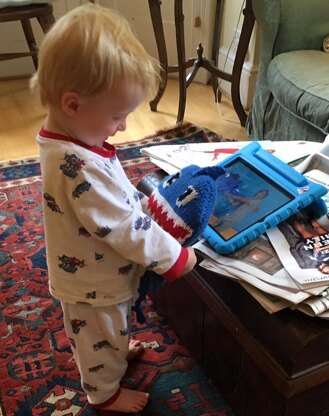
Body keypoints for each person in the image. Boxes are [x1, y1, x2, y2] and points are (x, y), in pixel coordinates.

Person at [30, 4, 197, 413]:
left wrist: (144, 202)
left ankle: (116, 350)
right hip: (92, 281)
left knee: (112, 328)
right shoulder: (77, 167)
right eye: (117, 115)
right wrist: (173, 256)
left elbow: (113, 199)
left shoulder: (72, 144)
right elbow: (123, 225)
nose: (123, 126)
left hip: (99, 271)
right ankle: (105, 394)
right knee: (96, 337)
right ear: (72, 105)